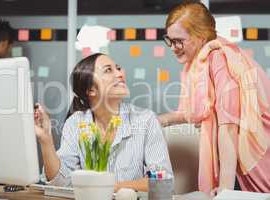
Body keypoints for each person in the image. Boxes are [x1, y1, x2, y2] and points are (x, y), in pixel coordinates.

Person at [158, 1, 270, 196]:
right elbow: (201, 111)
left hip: (259, 157)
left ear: (201, 36)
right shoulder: (200, 63)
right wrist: (161, 120)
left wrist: (226, 190)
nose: (173, 47)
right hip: (241, 157)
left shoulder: (219, 59)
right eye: (170, 40)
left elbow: (228, 126)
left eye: (179, 41)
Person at [34, 53, 173, 192]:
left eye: (118, 68)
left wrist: (109, 188)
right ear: (91, 90)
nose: (120, 73)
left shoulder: (146, 120)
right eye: (108, 70)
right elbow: (60, 183)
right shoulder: (75, 123)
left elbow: (163, 182)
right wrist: (46, 140)